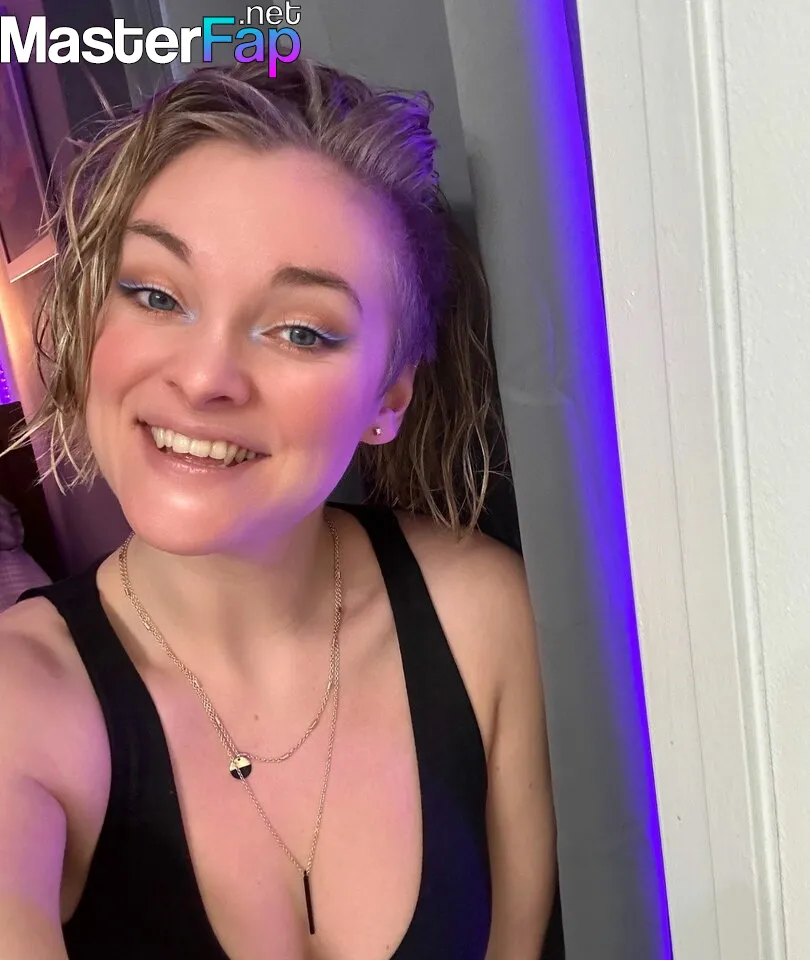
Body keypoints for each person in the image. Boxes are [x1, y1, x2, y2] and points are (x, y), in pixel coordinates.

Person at [0, 58, 556, 959]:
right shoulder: (20, 702)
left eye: (300, 330)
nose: (204, 378)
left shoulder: (485, 617)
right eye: (156, 295)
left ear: (388, 397)